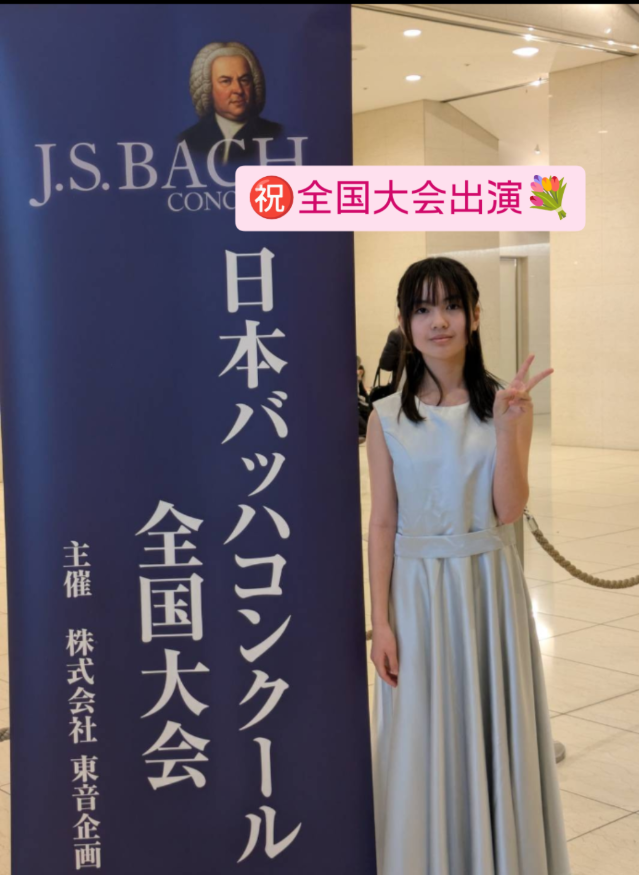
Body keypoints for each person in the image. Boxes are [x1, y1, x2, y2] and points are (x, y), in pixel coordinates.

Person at [366, 257, 571, 875]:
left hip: (488, 589)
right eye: (423, 309)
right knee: (425, 733)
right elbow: (382, 523)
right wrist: (382, 622)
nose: (439, 321)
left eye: (452, 306)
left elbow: (509, 509)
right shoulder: (386, 415)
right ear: (404, 322)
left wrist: (508, 430)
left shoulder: (505, 403)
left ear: (475, 316)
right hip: (417, 595)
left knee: (492, 726)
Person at [179, 41, 283, 161]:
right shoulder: (187, 141)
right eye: (226, 81)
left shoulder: (278, 134)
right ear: (208, 88)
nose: (238, 90)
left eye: (244, 80)